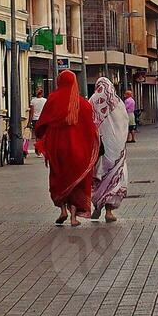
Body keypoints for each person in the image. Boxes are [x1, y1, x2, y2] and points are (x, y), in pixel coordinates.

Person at [34, 70, 99, 226]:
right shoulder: (83, 104)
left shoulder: (53, 99)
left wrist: (40, 139)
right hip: (77, 150)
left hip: (57, 148)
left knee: (58, 178)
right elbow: (91, 129)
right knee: (76, 182)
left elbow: (42, 123)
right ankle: (73, 217)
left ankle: (63, 209)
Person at [92, 79, 130, 222]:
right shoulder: (118, 102)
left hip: (100, 149)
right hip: (116, 149)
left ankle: (97, 205)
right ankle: (109, 211)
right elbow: (124, 122)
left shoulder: (93, 101)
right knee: (114, 178)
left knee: (99, 176)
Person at [28, 86, 48, 157]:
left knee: (37, 136)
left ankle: (38, 150)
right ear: (42, 93)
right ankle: (42, 149)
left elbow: (31, 112)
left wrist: (29, 122)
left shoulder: (33, 101)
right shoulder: (45, 100)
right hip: (43, 120)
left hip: (35, 120)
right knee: (43, 135)